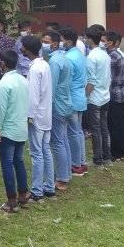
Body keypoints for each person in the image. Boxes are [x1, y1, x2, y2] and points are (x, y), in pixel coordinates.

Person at [0, 50, 30, 213]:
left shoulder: (4, 83)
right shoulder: (23, 80)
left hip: (8, 130)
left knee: (7, 164)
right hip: (21, 128)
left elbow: (0, 110)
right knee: (19, 160)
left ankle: (11, 200)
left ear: (3, 64)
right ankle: (23, 195)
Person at [24, 35, 55, 202]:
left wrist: (29, 116)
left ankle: (37, 190)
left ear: (28, 50)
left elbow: (33, 95)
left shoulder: (35, 69)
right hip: (46, 114)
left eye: (23, 47)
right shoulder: (44, 65)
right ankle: (49, 186)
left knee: (37, 153)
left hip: (37, 116)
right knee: (46, 150)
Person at [47, 30, 74, 192]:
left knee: (57, 142)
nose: (44, 45)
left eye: (46, 42)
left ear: (55, 44)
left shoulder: (54, 62)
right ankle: (66, 173)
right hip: (66, 102)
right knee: (63, 140)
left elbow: (52, 87)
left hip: (58, 105)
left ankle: (62, 178)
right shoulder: (64, 58)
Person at [62, 27, 89, 176]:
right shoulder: (79, 54)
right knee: (78, 131)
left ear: (68, 41)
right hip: (80, 97)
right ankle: (82, 162)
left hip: (72, 98)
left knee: (73, 133)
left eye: (62, 40)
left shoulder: (68, 58)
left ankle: (76, 164)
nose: (61, 43)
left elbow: (66, 80)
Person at [85, 24, 112, 167]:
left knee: (96, 130)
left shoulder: (91, 56)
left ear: (90, 39)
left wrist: (85, 96)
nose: (85, 40)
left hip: (95, 98)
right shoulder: (105, 54)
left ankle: (98, 160)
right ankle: (107, 157)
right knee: (104, 128)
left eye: (86, 37)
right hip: (105, 96)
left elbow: (91, 81)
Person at [105, 30, 124, 161]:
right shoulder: (117, 55)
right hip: (119, 94)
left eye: (104, 41)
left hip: (114, 94)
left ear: (111, 42)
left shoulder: (113, 56)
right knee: (120, 122)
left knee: (115, 124)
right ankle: (121, 150)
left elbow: (108, 77)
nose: (102, 43)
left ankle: (117, 153)